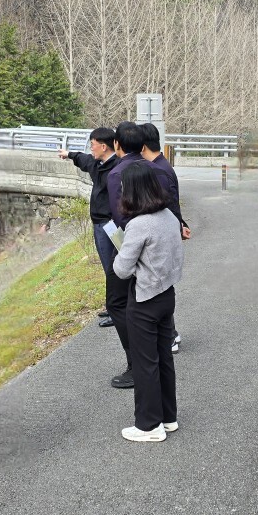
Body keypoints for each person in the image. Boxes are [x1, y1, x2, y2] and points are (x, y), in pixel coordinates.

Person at [112, 161, 184, 442]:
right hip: (167, 294)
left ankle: (148, 425)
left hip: (144, 300)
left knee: (145, 363)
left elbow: (121, 269)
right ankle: (168, 417)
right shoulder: (168, 216)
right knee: (163, 358)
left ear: (132, 190)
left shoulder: (139, 224)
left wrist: (121, 251)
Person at [59, 127, 118, 328]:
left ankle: (116, 311)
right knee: (108, 267)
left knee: (114, 268)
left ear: (103, 146)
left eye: (92, 145)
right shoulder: (97, 164)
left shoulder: (117, 168)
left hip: (111, 225)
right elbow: (83, 159)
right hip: (100, 225)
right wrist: (69, 154)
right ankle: (113, 307)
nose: (90, 149)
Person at [104, 121, 148, 389]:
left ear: (117, 144)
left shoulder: (117, 173)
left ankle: (136, 363)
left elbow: (119, 217)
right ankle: (147, 358)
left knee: (118, 303)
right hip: (154, 244)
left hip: (130, 244)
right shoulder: (149, 166)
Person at [140, 123, 189, 354]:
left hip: (163, 237)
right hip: (170, 232)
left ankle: (170, 336)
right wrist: (181, 224)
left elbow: (166, 206)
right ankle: (169, 334)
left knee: (161, 286)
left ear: (142, 145)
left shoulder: (158, 171)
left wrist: (178, 226)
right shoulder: (161, 165)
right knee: (163, 285)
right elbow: (174, 203)